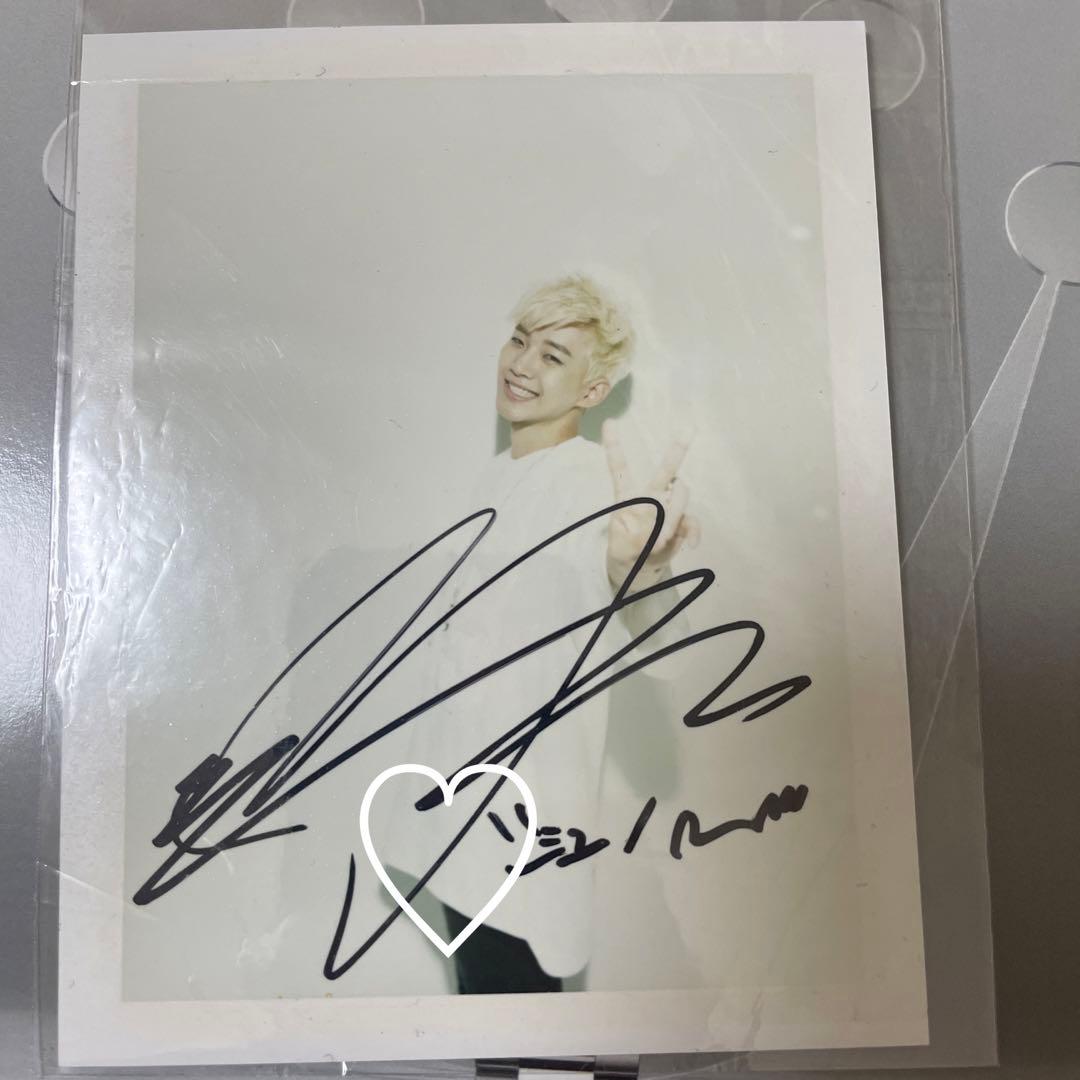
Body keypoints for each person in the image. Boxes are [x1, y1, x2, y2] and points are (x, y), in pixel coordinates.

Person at [376, 272, 699, 994]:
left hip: (518, 819)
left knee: (517, 1010)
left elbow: (668, 652)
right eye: (520, 341)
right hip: (453, 811)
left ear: (593, 389)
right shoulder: (494, 475)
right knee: (483, 1005)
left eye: (553, 356)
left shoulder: (595, 485)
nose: (522, 365)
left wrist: (639, 567)